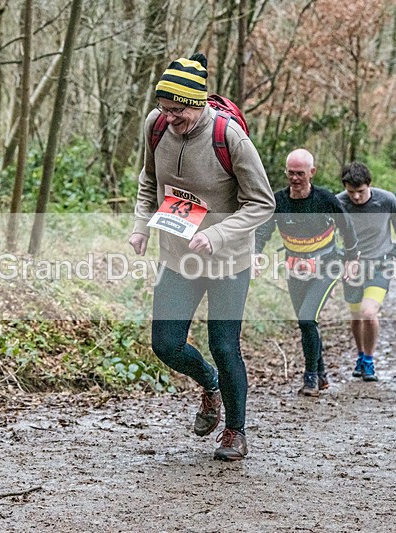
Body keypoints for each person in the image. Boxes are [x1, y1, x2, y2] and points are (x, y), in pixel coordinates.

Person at [129, 53, 275, 461]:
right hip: (178, 256)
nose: (169, 117)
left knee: (225, 345)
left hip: (228, 260)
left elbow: (262, 204)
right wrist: (141, 226)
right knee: (165, 343)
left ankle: (235, 431)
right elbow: (148, 180)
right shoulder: (155, 126)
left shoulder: (230, 139)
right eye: (165, 108)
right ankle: (209, 384)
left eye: (178, 110)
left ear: (198, 103)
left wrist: (217, 234)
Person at [254, 149, 359, 397]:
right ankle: (321, 373)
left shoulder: (325, 198)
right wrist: (255, 253)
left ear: (312, 172)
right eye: (290, 173)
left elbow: (347, 226)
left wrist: (352, 257)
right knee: (306, 323)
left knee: (306, 318)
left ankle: (310, 376)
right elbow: (263, 230)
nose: (295, 178)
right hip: (296, 268)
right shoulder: (279, 200)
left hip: (327, 265)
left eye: (300, 173)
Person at [337, 162, 396, 381]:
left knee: (368, 312)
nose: (356, 197)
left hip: (381, 263)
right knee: (356, 315)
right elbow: (328, 235)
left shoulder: (386, 200)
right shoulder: (338, 202)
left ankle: (370, 360)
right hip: (352, 266)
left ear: (369, 185)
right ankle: (360, 355)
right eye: (351, 192)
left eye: (360, 192)